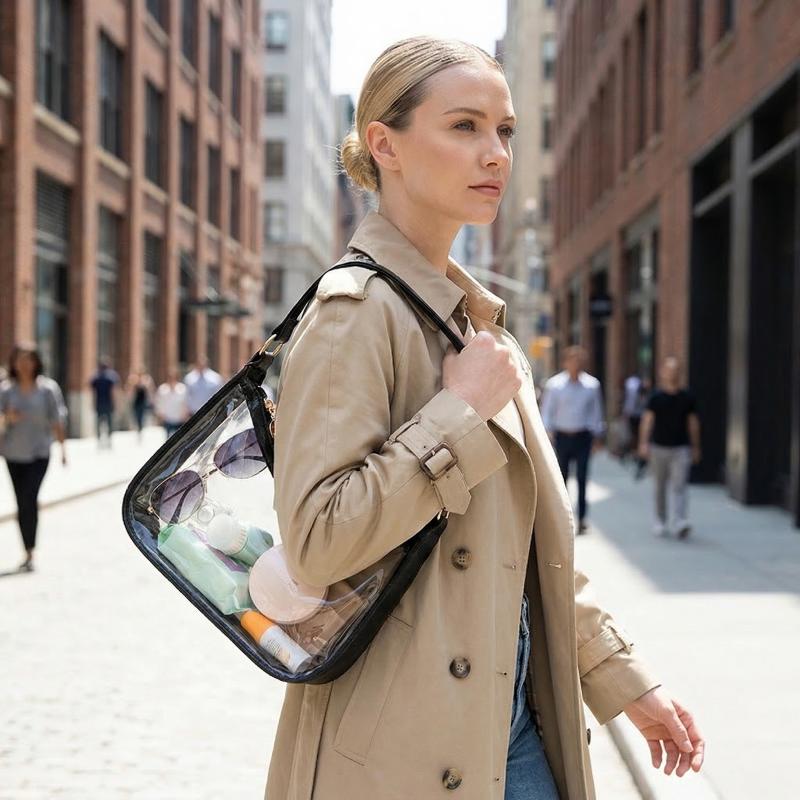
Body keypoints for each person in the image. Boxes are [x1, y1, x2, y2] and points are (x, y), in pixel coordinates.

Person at [264, 37, 704, 800]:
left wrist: (623, 679)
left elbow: (530, 551)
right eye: (464, 126)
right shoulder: (354, 314)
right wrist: (458, 413)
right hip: (399, 751)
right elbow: (317, 541)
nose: (496, 153)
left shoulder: (480, 330)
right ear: (385, 146)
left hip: (515, 730)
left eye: (504, 130)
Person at [0, 343, 68, 572]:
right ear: (14, 363)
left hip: (39, 453)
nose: (24, 364)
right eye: (20, 359)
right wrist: (7, 418)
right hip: (13, 454)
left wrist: (63, 450)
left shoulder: (48, 389)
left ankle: (31, 551)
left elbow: (57, 419)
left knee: (29, 497)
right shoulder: (6, 390)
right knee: (22, 502)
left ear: (37, 362)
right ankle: (27, 551)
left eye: (29, 359)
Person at [540, 346, 606, 534]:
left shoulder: (592, 385)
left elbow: (596, 412)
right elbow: (547, 411)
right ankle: (563, 519)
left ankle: (582, 518)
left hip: (583, 437)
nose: (575, 364)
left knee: (583, 478)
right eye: (572, 360)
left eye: (579, 360)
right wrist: (548, 433)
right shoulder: (555, 385)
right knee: (561, 479)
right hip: (562, 436)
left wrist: (597, 436)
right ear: (565, 362)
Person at [638, 357, 702, 539]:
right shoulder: (655, 397)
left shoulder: (687, 397)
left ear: (679, 373)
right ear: (663, 373)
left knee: (680, 485)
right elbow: (647, 421)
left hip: (681, 448)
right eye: (668, 370)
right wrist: (643, 443)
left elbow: (693, 423)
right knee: (659, 487)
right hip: (659, 447)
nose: (671, 374)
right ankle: (660, 520)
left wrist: (696, 447)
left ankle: (680, 520)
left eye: (675, 370)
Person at [89, 357, 120, 449]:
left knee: (99, 422)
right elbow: (113, 391)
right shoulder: (111, 377)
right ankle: (109, 439)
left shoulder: (96, 377)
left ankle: (99, 440)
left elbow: (93, 392)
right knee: (109, 422)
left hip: (99, 403)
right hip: (108, 403)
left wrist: (92, 403)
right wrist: (115, 403)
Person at [154, 369, 189, 438]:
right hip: (167, 419)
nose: (172, 380)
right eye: (170, 378)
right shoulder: (162, 389)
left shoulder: (182, 389)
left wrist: (185, 414)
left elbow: (186, 402)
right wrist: (160, 415)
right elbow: (158, 403)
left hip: (179, 419)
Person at [126, 369, 154, 441]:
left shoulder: (146, 380)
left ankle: (140, 430)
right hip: (136, 402)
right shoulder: (133, 381)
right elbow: (129, 391)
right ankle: (138, 429)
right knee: (136, 417)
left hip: (143, 403)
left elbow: (149, 390)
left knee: (141, 417)